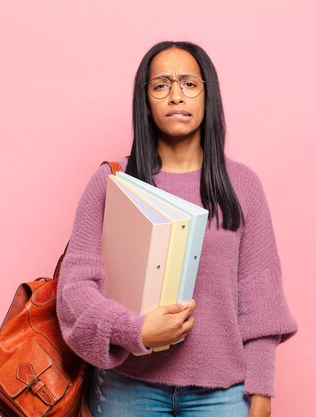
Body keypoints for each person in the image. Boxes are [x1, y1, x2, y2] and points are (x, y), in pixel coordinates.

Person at [56, 41, 298, 417]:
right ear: (146, 101)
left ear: (207, 95)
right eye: (161, 85)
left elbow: (260, 298)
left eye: (188, 83)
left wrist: (262, 390)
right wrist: (134, 332)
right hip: (127, 387)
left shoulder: (243, 185)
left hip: (223, 393)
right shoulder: (112, 182)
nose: (175, 96)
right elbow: (75, 292)